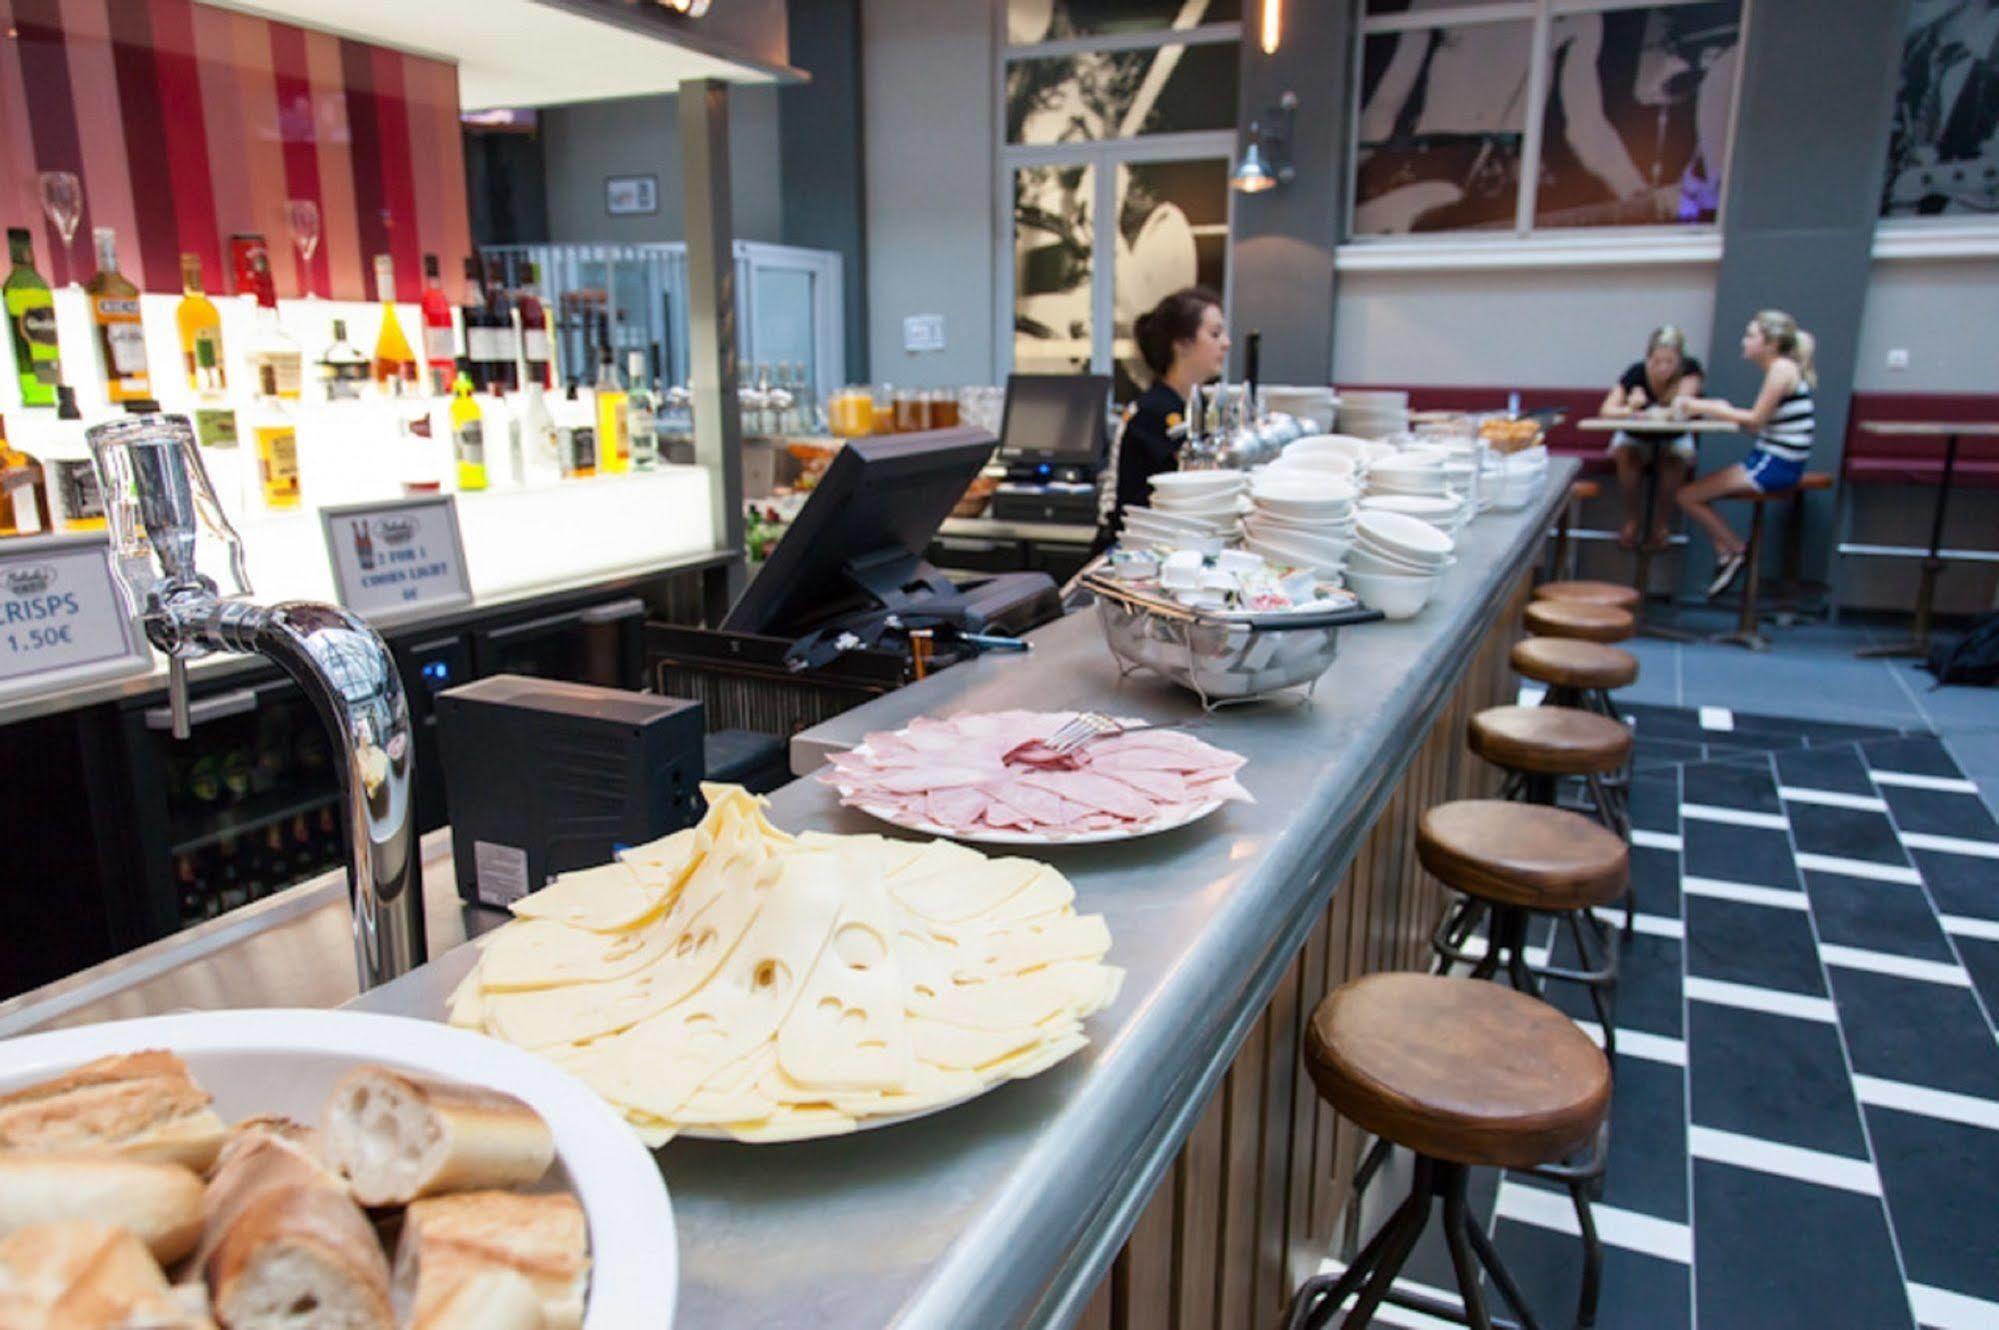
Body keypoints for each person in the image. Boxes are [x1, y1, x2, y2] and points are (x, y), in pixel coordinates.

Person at [1675, 309, 1817, 598]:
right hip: (1772, 458)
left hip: (1776, 463)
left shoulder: (1780, 370)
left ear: (1771, 344)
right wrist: (1723, 412)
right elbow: (1758, 424)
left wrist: (1710, 407)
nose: (1744, 341)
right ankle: (1726, 551)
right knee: (1690, 495)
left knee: (1687, 496)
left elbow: (1754, 421)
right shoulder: (1783, 369)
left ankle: (1734, 549)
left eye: (1751, 335)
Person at [1095, 287, 1228, 544]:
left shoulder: (1190, 407)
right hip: (1135, 549)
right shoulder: (1150, 414)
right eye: (1215, 334)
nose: (1226, 342)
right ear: (1182, 344)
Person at [1598, 326, 1705, 551]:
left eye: (1670, 362)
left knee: (1674, 460)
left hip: (1673, 438)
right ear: (1648, 359)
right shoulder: (1636, 373)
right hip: (1635, 438)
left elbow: (1683, 407)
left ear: (1680, 361)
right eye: (1657, 361)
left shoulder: (1690, 371)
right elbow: (1606, 410)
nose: (1663, 367)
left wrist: (1654, 411)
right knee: (1626, 456)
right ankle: (1632, 520)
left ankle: (1661, 524)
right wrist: (1630, 408)